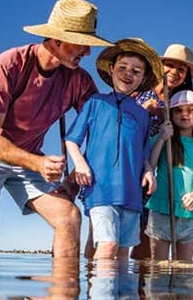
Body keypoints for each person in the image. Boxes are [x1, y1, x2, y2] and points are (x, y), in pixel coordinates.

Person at [0, 0, 111, 256]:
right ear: (57, 40)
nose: (87, 53)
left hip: (27, 158)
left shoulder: (79, 80)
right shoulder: (8, 65)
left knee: (69, 217)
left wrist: (75, 177)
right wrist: (38, 164)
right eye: (82, 45)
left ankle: (60, 295)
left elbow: (100, 129)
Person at [64, 38, 162, 262]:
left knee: (122, 253)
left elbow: (144, 154)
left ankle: (121, 297)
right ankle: (99, 297)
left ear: (143, 78)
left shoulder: (141, 114)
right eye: (123, 68)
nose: (128, 74)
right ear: (111, 70)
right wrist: (80, 164)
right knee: (107, 246)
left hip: (131, 192)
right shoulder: (95, 102)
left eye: (136, 71)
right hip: (100, 188)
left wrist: (148, 172)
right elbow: (71, 140)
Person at [131, 44, 193, 260]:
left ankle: (142, 291)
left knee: (146, 232)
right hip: (133, 166)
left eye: (181, 69)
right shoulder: (139, 91)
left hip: (160, 175)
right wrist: (143, 112)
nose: (174, 72)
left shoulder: (182, 104)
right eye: (170, 65)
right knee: (121, 230)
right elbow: (123, 123)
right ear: (159, 66)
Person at [145, 90, 193, 261]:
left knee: (184, 270)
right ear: (170, 114)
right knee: (158, 268)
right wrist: (162, 138)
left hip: (189, 214)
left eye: (191, 110)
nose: (185, 114)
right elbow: (151, 164)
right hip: (162, 209)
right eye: (178, 110)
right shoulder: (162, 139)